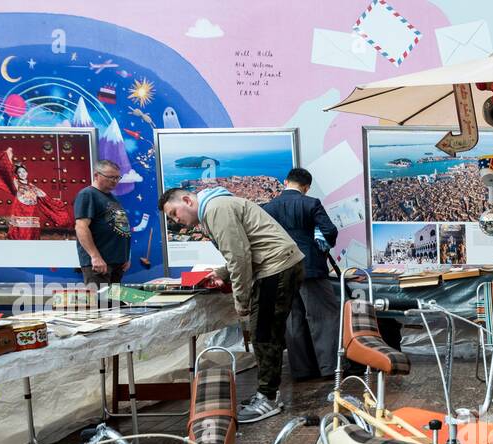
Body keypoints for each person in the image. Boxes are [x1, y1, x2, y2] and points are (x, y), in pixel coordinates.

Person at [159, 185, 304, 423]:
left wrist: (241, 300)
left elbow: (239, 256)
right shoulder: (216, 206)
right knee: (267, 333)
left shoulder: (215, 209)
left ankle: (267, 398)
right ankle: (268, 393)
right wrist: (221, 274)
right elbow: (239, 253)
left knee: (263, 334)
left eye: (175, 213)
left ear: (187, 200)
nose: (178, 221)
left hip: (275, 268)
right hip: (280, 265)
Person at [261, 168, 339, 380]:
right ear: (306, 187)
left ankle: (302, 370)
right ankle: (330, 367)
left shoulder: (269, 207)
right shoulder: (311, 203)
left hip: (281, 269)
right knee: (323, 317)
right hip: (310, 266)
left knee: (293, 319)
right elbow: (330, 231)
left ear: (286, 182)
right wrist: (320, 244)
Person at [0, 146, 73, 240]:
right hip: (20, 212)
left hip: (32, 213)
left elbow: (45, 198)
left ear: (27, 173)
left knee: (32, 235)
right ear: (17, 175)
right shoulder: (16, 184)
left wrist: (55, 202)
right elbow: (10, 171)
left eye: (24, 171)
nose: (22, 174)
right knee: (19, 235)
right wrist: (9, 156)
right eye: (19, 172)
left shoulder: (32, 186)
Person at [74, 160, 131, 285]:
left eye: (117, 177)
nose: (115, 181)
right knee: (101, 303)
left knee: (114, 303)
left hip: (117, 263)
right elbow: (81, 227)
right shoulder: (87, 194)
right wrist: (95, 256)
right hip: (100, 264)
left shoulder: (112, 198)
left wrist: (125, 256)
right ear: (96, 175)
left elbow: (121, 226)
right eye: (110, 177)